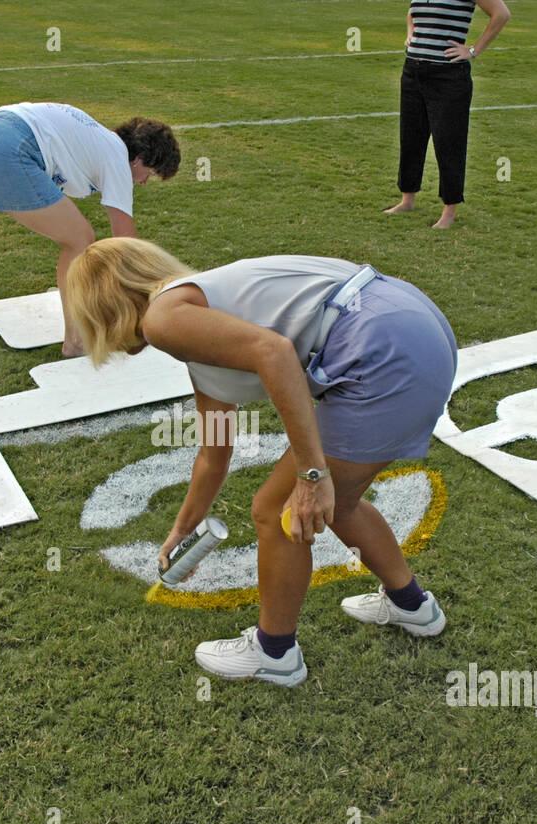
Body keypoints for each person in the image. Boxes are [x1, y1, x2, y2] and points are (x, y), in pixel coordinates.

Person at [66, 238, 458, 687]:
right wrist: (183, 528)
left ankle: (275, 654)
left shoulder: (163, 319)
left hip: (384, 348)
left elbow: (274, 353)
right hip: (415, 325)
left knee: (279, 511)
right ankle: (413, 607)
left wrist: (311, 474)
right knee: (339, 502)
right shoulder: (196, 308)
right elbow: (214, 453)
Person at [0, 102, 180, 355]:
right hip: (5, 149)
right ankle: (75, 341)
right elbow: (125, 242)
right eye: (151, 173)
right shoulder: (118, 157)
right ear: (139, 160)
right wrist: (153, 298)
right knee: (80, 239)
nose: (144, 182)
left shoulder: (98, 140)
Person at [384, 0, 510, 228]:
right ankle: (407, 200)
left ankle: (449, 211)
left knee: (449, 143)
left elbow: (501, 14)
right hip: (412, 70)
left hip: (449, 76)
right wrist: (411, 34)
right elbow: (412, 13)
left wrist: (473, 50)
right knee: (411, 138)